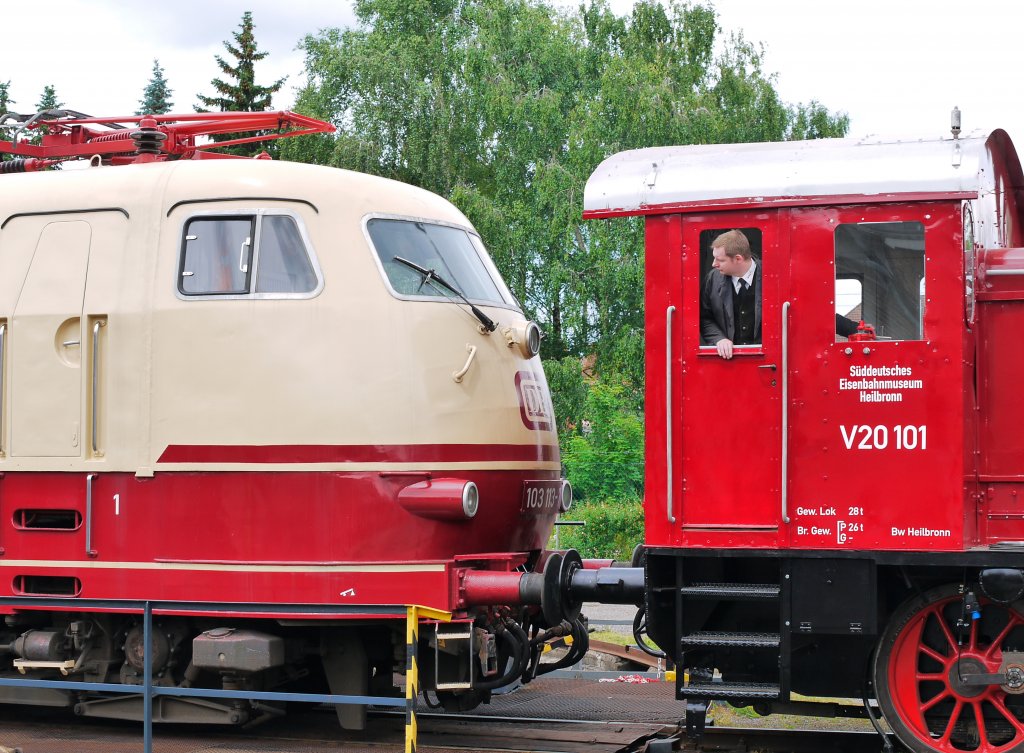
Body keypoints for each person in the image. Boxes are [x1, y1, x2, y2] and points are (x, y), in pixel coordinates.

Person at [700, 230, 760, 359]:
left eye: (720, 260)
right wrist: (719, 339)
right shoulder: (712, 279)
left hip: (765, 363)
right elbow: (704, 317)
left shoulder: (772, 276)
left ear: (738, 258)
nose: (713, 264)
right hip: (727, 363)